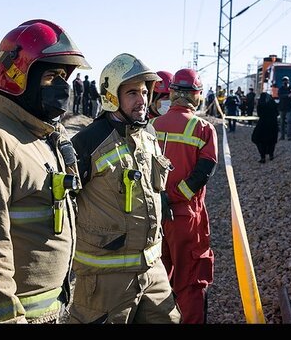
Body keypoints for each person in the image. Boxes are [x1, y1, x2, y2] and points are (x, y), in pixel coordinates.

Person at [0, 19, 90, 324]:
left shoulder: (43, 135)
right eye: (51, 75)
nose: (63, 86)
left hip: (46, 312)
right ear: (19, 75)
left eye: (65, 76)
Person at [68, 53, 181, 324]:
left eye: (144, 91)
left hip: (153, 272)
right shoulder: (87, 141)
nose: (142, 99)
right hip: (105, 280)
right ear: (111, 96)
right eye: (132, 92)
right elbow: (63, 206)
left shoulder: (150, 136)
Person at [151, 68, 218, 324]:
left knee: (158, 277)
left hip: (155, 212)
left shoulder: (153, 125)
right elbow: (204, 171)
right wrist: (178, 196)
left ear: (173, 93)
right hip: (185, 216)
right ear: (196, 95)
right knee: (190, 280)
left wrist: (162, 197)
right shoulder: (202, 128)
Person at [251, 92, 279, 163]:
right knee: (272, 141)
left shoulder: (261, 103)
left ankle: (262, 157)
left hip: (263, 124)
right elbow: (277, 113)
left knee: (258, 139)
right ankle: (271, 154)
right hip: (273, 124)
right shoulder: (273, 103)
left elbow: (259, 114)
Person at [278, 76, 291, 140]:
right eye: (284, 80)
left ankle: (289, 136)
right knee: (282, 122)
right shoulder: (280, 89)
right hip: (282, 107)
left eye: (286, 80)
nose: (285, 81)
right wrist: (287, 95)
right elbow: (280, 96)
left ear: (288, 81)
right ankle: (282, 136)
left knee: (289, 121)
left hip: (289, 107)